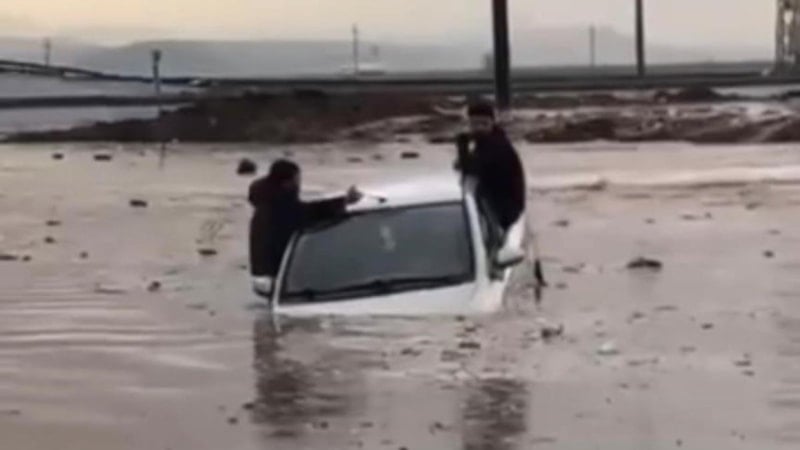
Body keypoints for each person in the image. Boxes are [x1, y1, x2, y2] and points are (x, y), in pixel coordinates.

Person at [248, 159, 362, 281]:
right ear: (286, 183)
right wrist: (344, 202)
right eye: (297, 180)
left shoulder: (267, 202)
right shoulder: (279, 208)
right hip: (281, 275)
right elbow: (310, 213)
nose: (299, 184)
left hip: (278, 273)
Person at [455, 100, 526, 250]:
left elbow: (472, 168)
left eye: (484, 123)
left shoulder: (497, 145)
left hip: (503, 211)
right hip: (494, 205)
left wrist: (462, 147)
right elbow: (464, 167)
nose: (479, 128)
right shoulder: (485, 143)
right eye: (475, 124)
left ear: (492, 123)